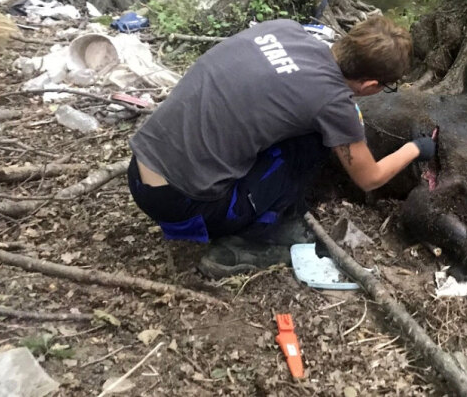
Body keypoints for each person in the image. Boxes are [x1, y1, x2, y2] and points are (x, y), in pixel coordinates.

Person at [127, 16, 435, 278]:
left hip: (141, 166)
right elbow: (370, 178)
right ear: (371, 86)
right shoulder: (333, 103)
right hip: (180, 206)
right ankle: (254, 241)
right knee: (312, 144)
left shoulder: (284, 28)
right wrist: (417, 148)